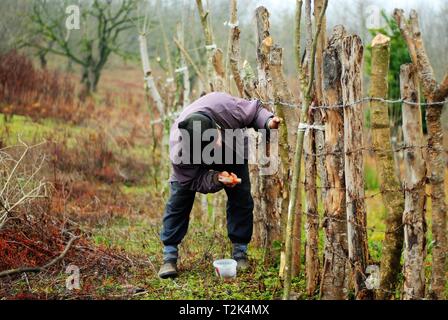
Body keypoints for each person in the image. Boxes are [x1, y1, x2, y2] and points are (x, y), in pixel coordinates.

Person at [158, 92, 281, 279]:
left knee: (241, 196)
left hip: (232, 145)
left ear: (215, 128)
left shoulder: (224, 107)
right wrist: (216, 178)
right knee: (179, 199)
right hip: (192, 161)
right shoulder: (179, 150)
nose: (214, 146)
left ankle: (240, 252)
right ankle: (169, 256)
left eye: (213, 139)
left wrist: (268, 121)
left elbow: (254, 111)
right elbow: (192, 180)